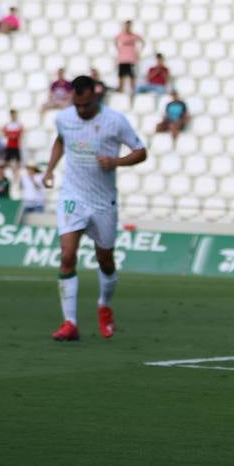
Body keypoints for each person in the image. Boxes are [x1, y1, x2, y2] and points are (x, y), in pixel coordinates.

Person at [41, 75, 147, 343]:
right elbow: (61, 140)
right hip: (72, 195)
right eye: (77, 105)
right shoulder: (64, 118)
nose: (81, 110)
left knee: (105, 260)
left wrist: (115, 162)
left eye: (86, 105)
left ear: (95, 97)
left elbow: (141, 151)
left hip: (102, 201)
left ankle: (104, 305)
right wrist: (50, 169)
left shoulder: (115, 120)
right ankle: (70, 323)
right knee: (67, 255)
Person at [114, 20, 143, 103]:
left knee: (132, 75)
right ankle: (120, 89)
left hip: (131, 59)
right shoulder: (120, 35)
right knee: (121, 75)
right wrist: (119, 50)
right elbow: (115, 41)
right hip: (122, 59)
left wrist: (138, 52)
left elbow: (142, 41)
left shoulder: (134, 36)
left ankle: (133, 90)